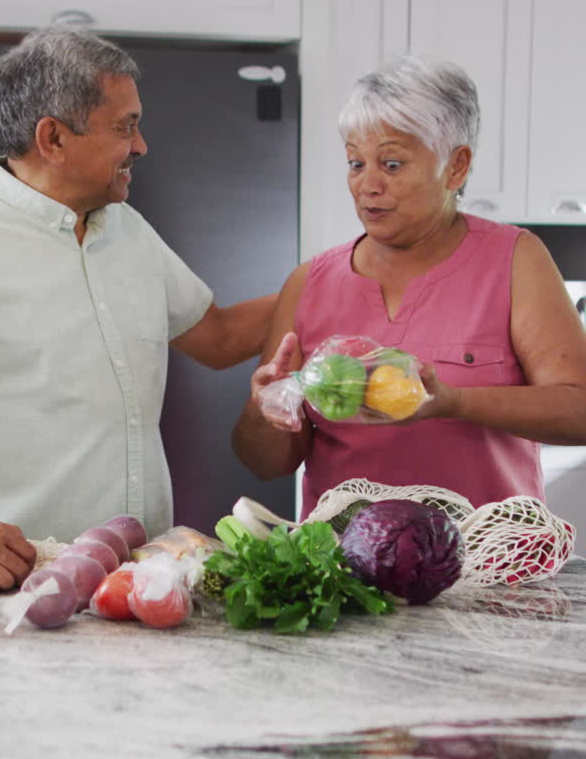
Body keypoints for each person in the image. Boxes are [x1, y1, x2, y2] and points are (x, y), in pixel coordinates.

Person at [0, 28, 277, 593]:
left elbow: (222, 337)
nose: (141, 146)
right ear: (53, 138)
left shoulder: (128, 230)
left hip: (146, 586)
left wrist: (338, 275)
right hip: (8, 589)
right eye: (125, 126)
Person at [233, 55, 586, 522]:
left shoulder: (516, 259)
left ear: (456, 167)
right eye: (356, 163)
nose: (367, 185)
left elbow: (578, 408)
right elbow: (264, 463)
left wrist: (454, 402)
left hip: (486, 567)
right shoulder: (309, 283)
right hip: (348, 571)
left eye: (392, 163)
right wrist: (266, 411)